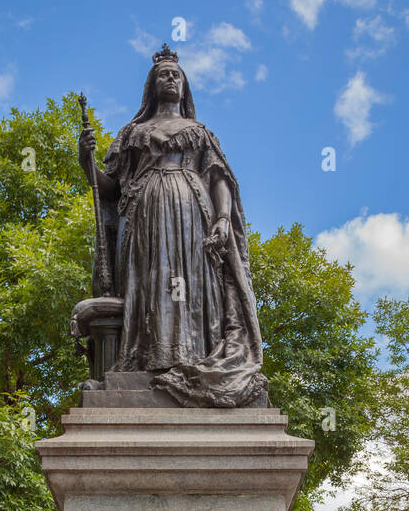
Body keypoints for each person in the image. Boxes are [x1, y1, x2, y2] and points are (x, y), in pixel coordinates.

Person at [78, 45, 268, 407]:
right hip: (144, 216)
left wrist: (223, 218)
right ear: (152, 85)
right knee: (151, 283)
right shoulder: (133, 132)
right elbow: (109, 187)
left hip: (191, 214)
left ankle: (192, 357)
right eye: (163, 74)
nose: (170, 78)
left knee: (193, 286)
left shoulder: (199, 132)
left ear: (184, 85)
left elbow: (219, 179)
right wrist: (85, 160)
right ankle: (151, 359)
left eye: (176, 74)